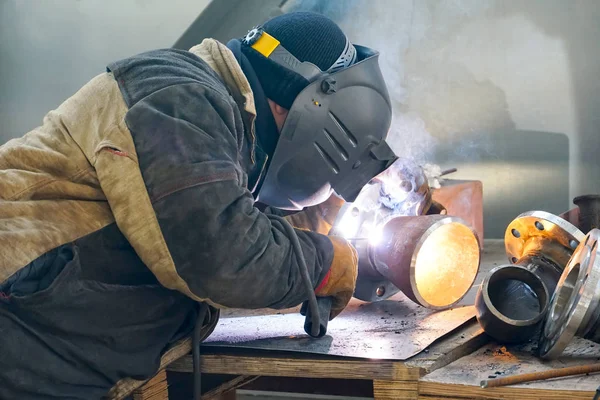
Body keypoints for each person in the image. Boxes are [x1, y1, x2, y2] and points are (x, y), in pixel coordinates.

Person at [0, 11, 396, 399]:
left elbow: (219, 210)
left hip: (46, 338)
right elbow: (221, 257)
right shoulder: (178, 100)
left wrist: (321, 215)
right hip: (19, 325)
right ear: (293, 106)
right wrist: (329, 265)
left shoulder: (224, 119)